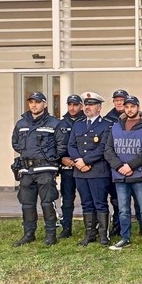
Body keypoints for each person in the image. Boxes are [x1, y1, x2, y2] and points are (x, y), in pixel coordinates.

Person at [11, 91, 67, 246]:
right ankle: (29, 233)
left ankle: (51, 234)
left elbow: (61, 145)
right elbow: (15, 142)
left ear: (45, 104)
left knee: (47, 202)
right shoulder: (21, 123)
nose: (34, 105)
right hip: (27, 170)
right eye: (31, 102)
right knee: (27, 203)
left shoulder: (54, 123)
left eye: (37, 102)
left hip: (45, 170)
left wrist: (50, 158)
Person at [103, 95, 142, 251]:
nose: (129, 109)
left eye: (132, 106)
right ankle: (125, 238)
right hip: (120, 175)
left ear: (138, 107)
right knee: (123, 210)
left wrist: (131, 165)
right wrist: (119, 166)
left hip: (139, 175)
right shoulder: (116, 126)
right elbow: (108, 150)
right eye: (127, 107)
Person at [68, 92, 114, 246]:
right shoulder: (78, 124)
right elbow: (71, 145)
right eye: (86, 104)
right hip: (80, 171)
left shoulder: (106, 125)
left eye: (91, 105)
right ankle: (89, 234)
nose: (87, 107)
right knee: (86, 203)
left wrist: (86, 161)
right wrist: (78, 162)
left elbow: (103, 147)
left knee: (100, 203)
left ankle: (103, 235)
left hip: (97, 171)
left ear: (99, 108)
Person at [57, 94, 85, 239]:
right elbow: (55, 145)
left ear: (81, 106)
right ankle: (66, 228)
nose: (72, 108)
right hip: (67, 168)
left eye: (75, 104)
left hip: (83, 167)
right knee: (67, 199)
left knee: (88, 200)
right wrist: (61, 159)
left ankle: (91, 229)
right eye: (70, 105)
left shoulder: (87, 121)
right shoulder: (60, 124)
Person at [104, 89, 130, 237]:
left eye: (122, 100)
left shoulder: (136, 118)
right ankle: (117, 226)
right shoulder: (107, 119)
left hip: (134, 167)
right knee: (116, 199)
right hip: (113, 166)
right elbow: (106, 146)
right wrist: (117, 164)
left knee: (140, 201)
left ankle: (141, 227)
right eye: (117, 100)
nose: (119, 103)